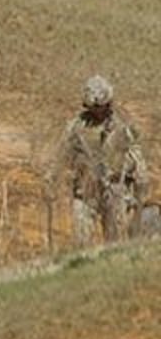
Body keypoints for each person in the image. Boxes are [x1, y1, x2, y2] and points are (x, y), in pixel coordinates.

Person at [60, 75, 147, 245]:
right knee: (81, 244)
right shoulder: (76, 126)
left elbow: (138, 159)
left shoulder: (123, 126)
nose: (98, 111)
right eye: (94, 107)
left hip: (115, 191)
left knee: (115, 243)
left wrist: (138, 189)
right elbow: (63, 155)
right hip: (85, 192)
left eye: (101, 106)